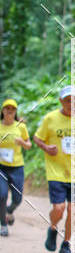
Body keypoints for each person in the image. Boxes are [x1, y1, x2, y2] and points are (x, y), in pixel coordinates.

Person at [34, 85, 75, 253]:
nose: (72, 103)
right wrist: (46, 147)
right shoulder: (50, 118)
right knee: (59, 208)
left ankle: (66, 243)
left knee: (74, 210)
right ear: (61, 101)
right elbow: (37, 137)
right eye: (68, 100)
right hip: (56, 172)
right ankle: (53, 228)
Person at [0, 99, 31, 236]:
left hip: (17, 166)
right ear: (3, 110)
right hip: (1, 167)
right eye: (7, 108)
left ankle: (9, 210)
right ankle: (3, 225)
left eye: (12, 108)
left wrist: (23, 142)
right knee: (1, 195)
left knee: (17, 198)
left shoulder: (21, 127)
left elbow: (29, 145)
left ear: (15, 111)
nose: (10, 110)